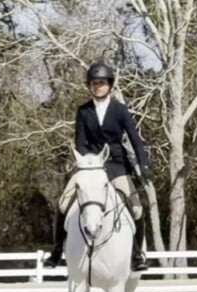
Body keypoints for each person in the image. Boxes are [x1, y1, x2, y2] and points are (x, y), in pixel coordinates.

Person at [43, 61, 151, 272]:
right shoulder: (83, 111)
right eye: (94, 83)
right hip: (91, 166)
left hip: (116, 165)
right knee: (64, 203)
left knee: (137, 208)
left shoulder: (119, 110)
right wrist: (88, 162)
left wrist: (143, 165)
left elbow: (135, 139)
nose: (97, 87)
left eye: (101, 83)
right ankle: (56, 250)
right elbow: (80, 142)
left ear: (109, 85)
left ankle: (137, 254)